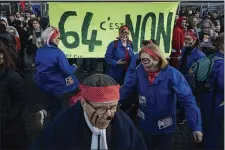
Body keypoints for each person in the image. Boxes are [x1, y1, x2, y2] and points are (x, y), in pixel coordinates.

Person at [120, 41, 203, 150]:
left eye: (145, 60)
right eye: (141, 60)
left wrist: (195, 126)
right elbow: (127, 88)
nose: (143, 64)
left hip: (165, 126)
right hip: (146, 123)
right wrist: (113, 100)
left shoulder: (173, 74)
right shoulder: (139, 71)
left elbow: (188, 100)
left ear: (156, 59)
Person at [31, 74, 148, 150]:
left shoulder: (124, 124)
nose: (109, 115)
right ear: (83, 103)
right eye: (101, 108)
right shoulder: (64, 124)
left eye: (113, 107)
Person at [34, 26, 80, 129]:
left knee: (52, 100)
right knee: (58, 107)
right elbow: (67, 70)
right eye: (57, 38)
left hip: (44, 83)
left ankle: (44, 112)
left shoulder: (39, 51)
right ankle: (54, 128)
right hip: (57, 84)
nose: (59, 40)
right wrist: (74, 67)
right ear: (51, 39)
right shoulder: (57, 53)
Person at [0, 39, 28, 149]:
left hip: (9, 128)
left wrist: (8, 117)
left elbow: (21, 100)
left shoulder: (12, 77)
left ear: (2, 55)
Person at [199, 33, 224, 149]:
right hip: (215, 101)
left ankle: (201, 142)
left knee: (207, 124)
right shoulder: (221, 63)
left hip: (206, 97)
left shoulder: (213, 56)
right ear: (222, 44)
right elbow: (222, 85)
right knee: (213, 129)